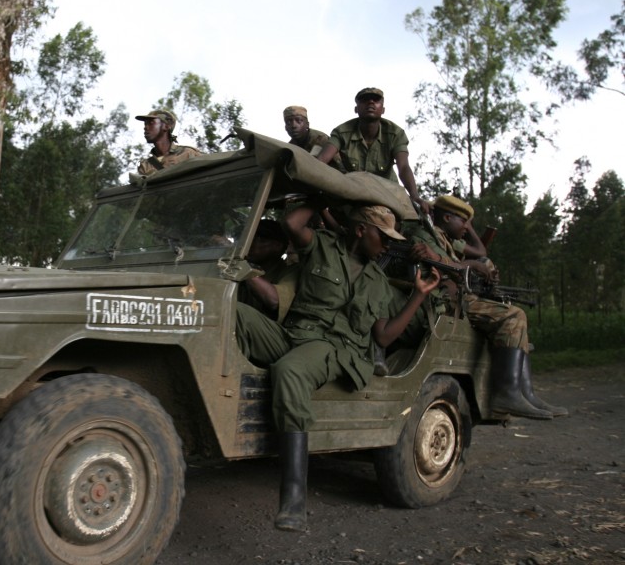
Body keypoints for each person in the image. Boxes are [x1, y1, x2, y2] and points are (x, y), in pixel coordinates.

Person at [235, 202, 440, 532]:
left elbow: (384, 337)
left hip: (336, 349)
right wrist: (321, 188)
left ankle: (293, 499)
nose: (387, 245)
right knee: (237, 316)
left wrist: (418, 295)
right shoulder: (322, 246)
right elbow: (290, 222)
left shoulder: (378, 281)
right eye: (382, 237)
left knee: (291, 371)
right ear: (361, 231)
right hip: (293, 334)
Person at [406, 195, 567, 420]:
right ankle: (507, 395)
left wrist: (480, 271)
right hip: (440, 301)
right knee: (513, 316)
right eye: (463, 221)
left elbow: (470, 256)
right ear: (447, 217)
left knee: (511, 312)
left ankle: (526, 394)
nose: (466, 227)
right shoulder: (425, 236)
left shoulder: (442, 238)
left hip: (453, 298)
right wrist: (473, 266)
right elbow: (444, 266)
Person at [316, 88, 429, 215]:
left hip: (388, 194)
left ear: (383, 109)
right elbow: (321, 161)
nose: (370, 102)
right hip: (355, 193)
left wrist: (414, 196)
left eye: (376, 100)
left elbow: (403, 167)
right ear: (356, 109)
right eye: (364, 100)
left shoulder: (395, 134)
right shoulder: (342, 132)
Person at [238, 219, 300, 324]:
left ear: (277, 246)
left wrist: (243, 266)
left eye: (260, 239)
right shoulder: (245, 267)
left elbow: (274, 300)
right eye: (249, 238)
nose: (250, 244)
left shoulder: (290, 271)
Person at [135, 108, 202, 176]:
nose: (145, 127)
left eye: (151, 123)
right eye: (145, 124)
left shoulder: (188, 154)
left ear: (166, 126)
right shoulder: (145, 166)